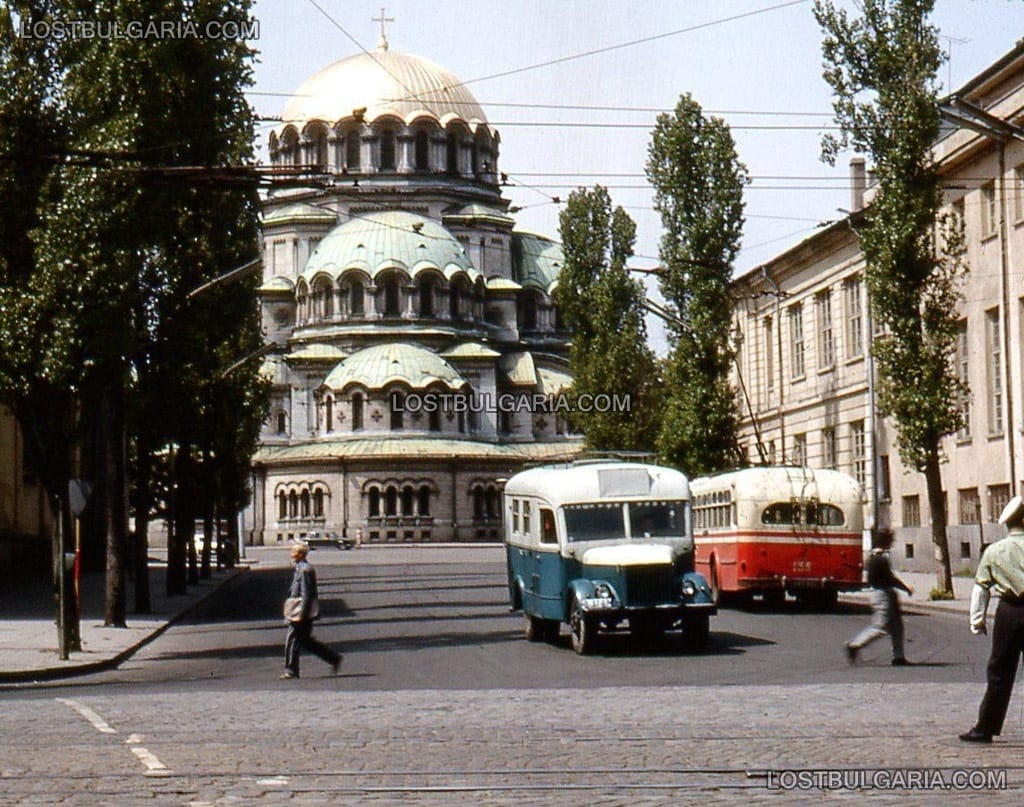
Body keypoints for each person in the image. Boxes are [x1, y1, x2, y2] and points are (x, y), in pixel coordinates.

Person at [959, 495, 1024, 743]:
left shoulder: (995, 551)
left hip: (1008, 611)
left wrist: (978, 621)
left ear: (1008, 524)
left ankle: (985, 727)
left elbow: (980, 588)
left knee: (999, 671)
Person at [845, 530, 913, 665]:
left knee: (896, 627)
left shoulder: (874, 556)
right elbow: (890, 578)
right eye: (890, 540)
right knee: (880, 627)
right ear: (885, 541)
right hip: (883, 595)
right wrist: (905, 588)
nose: (892, 543)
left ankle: (898, 657)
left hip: (883, 594)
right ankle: (854, 645)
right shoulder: (880, 558)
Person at [281, 541, 342, 679]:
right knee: (305, 641)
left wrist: (302, 614)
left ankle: (291, 670)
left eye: (294, 552)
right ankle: (333, 658)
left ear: (301, 554)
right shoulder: (299, 568)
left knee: (292, 639)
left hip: (301, 610)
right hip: (299, 609)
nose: (291, 554)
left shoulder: (305, 570)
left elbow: (307, 593)